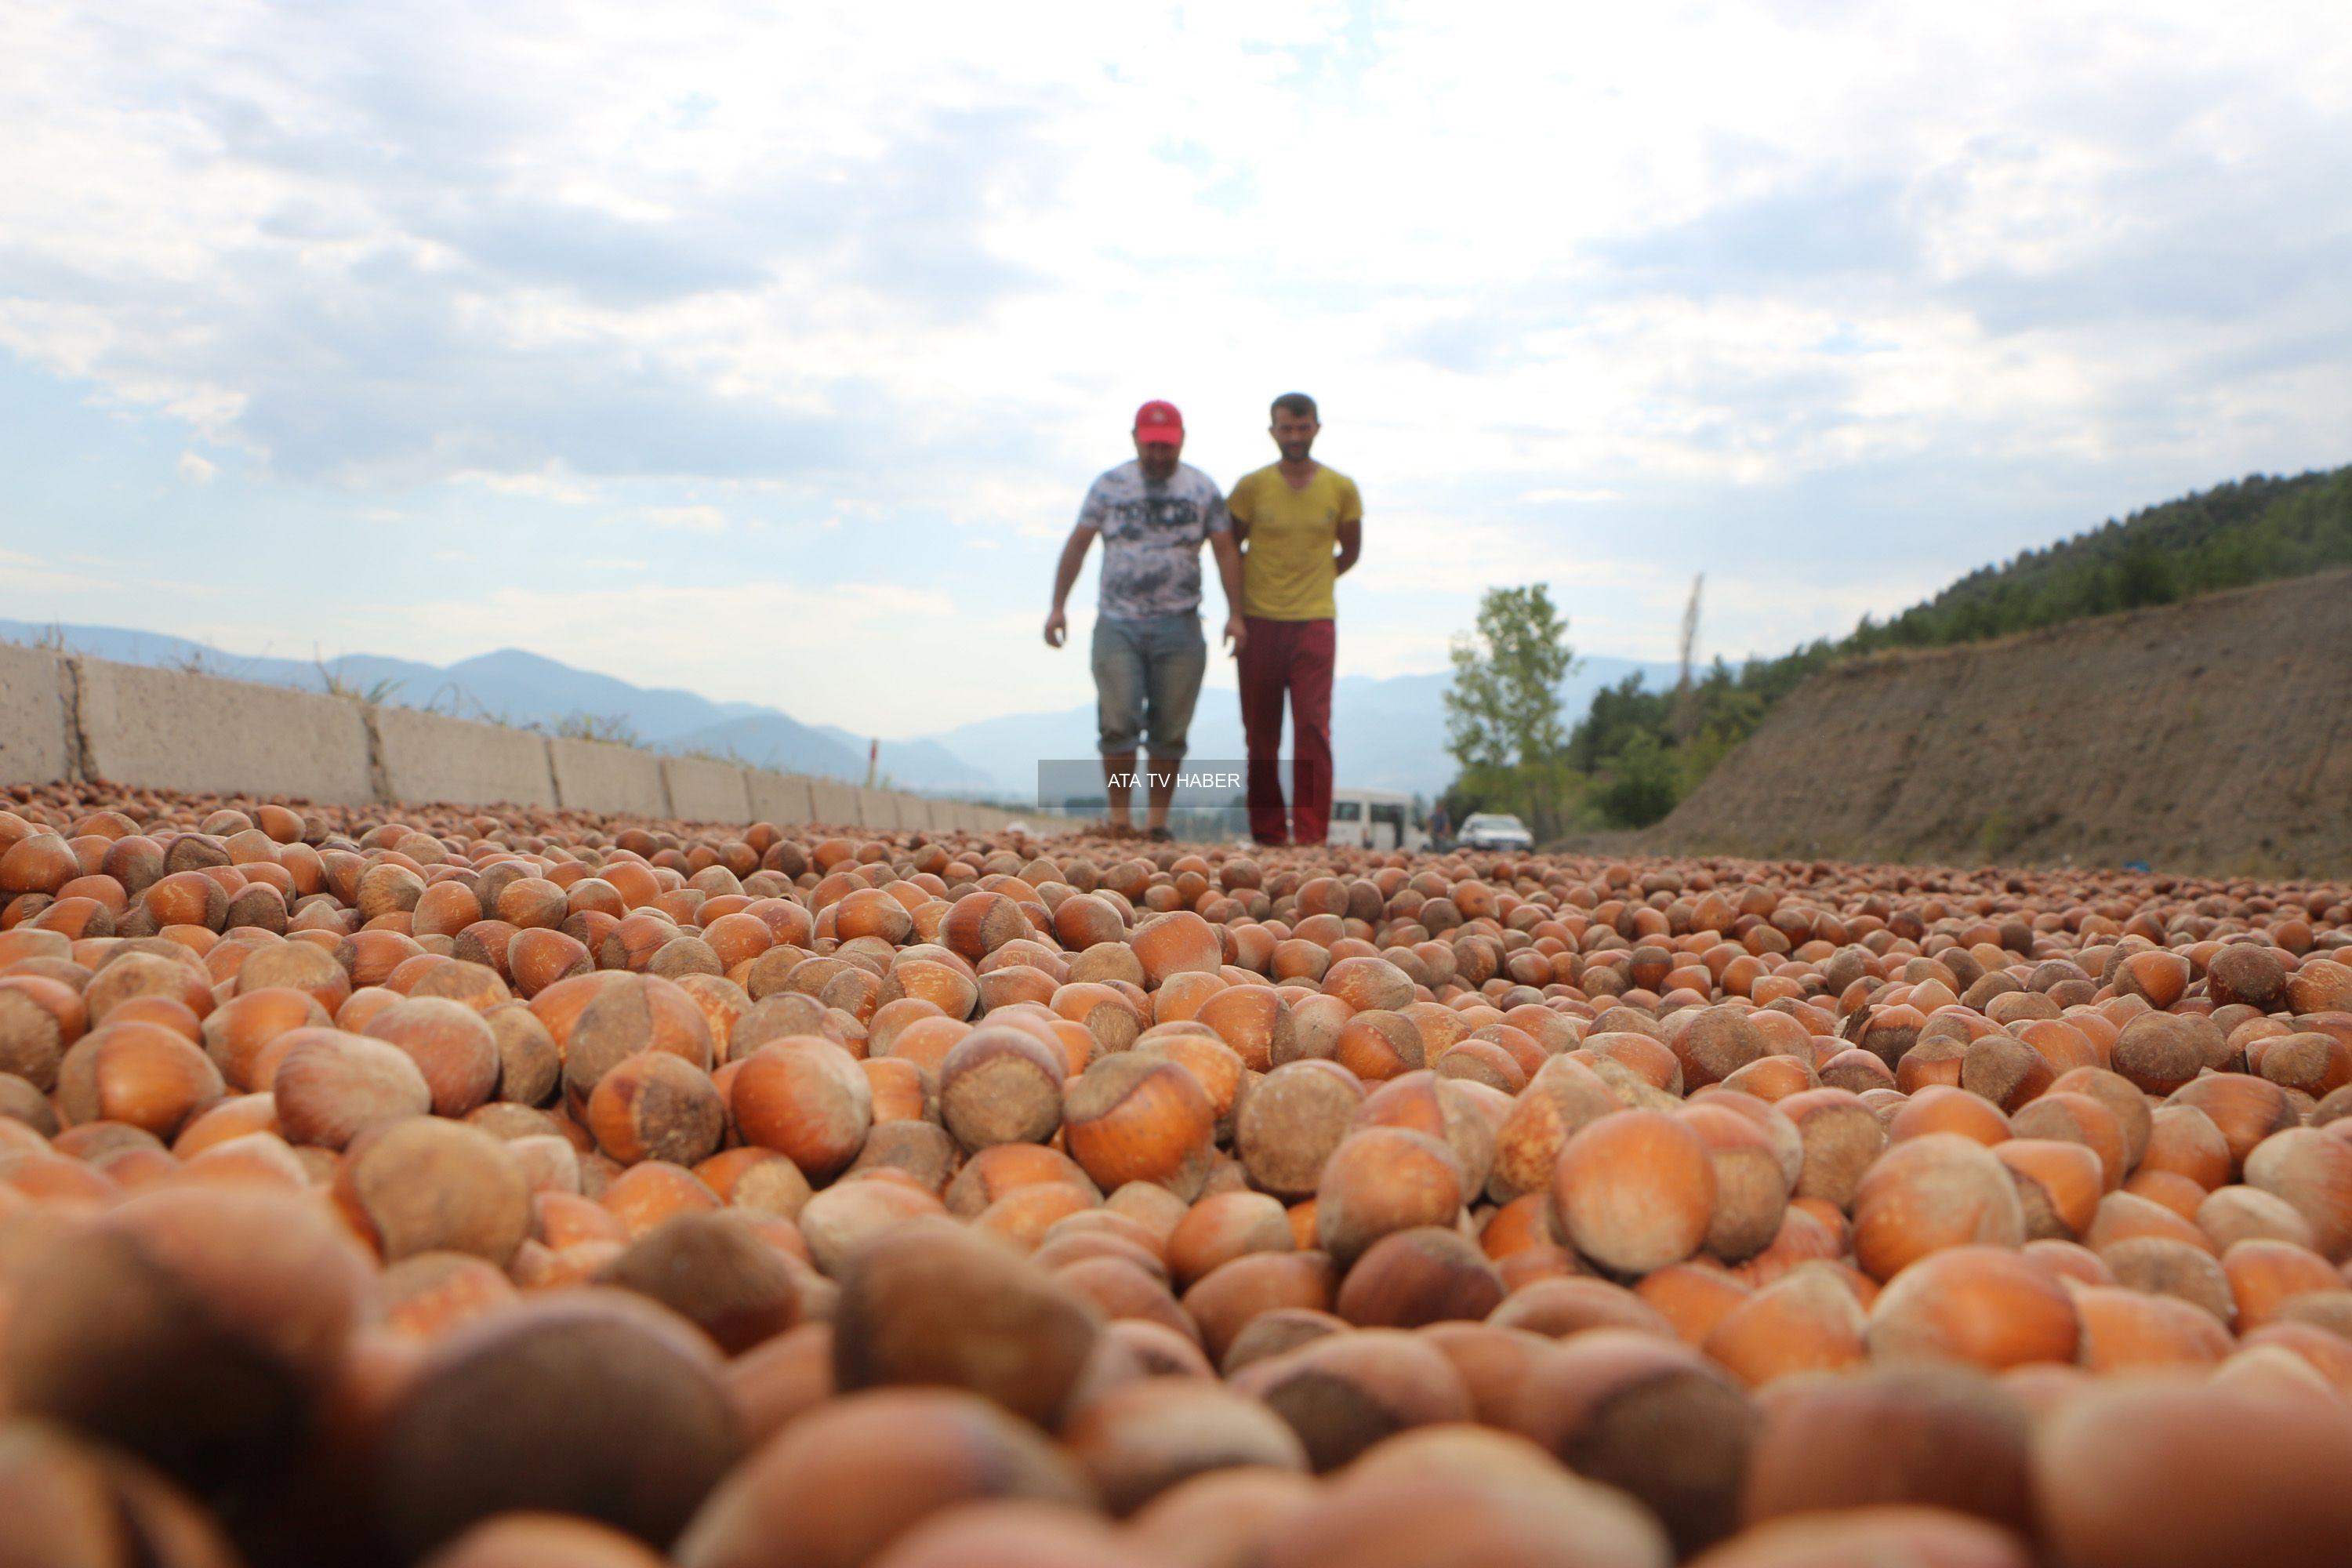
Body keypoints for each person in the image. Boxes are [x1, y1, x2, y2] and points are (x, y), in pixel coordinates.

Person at [1045, 399, 1246, 840]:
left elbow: (1226, 550)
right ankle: (1119, 819)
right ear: (1135, 439)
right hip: (1118, 622)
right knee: (1118, 721)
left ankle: (1156, 822)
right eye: (1151, 445)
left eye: (1167, 446)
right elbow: (1078, 544)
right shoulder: (1109, 486)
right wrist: (1058, 605)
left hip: (1181, 623)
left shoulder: (1201, 489)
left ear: (1181, 441)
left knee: (1170, 729)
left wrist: (1236, 614)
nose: (1159, 455)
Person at [1227, 391, 1361, 848]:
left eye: (1303, 428)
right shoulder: (1251, 487)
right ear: (1273, 432)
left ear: (1317, 429)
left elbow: (1351, 550)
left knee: (1312, 729)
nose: (1295, 436)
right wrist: (1238, 612)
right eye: (1286, 428)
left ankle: (1309, 836)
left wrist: (1316, 579)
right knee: (1261, 734)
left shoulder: (1341, 488)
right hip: (1259, 620)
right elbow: (1230, 548)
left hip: (1315, 621)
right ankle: (1267, 834)